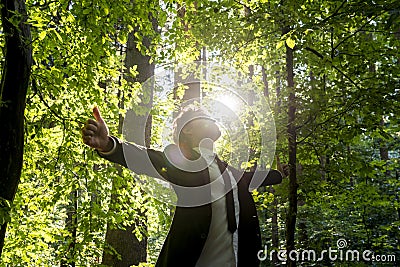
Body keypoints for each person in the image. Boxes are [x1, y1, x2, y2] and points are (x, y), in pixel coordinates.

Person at [82, 106, 284, 267]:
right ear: (187, 129)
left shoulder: (228, 171)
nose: (214, 121)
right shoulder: (183, 163)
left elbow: (252, 178)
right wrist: (108, 145)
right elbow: (147, 159)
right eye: (207, 118)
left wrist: (281, 174)